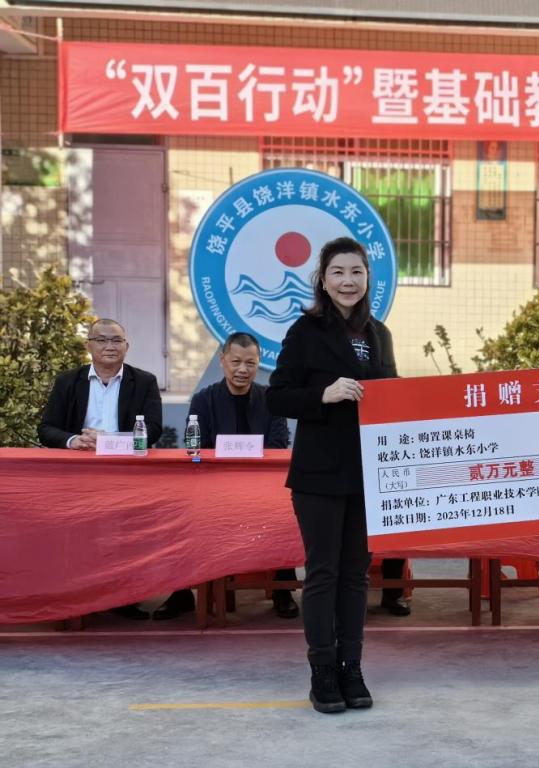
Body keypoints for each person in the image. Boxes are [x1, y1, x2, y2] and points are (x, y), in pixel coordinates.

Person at [267, 237, 398, 714]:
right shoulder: (305, 331)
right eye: (338, 272)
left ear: (368, 279)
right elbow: (277, 395)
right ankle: (322, 670)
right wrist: (323, 394)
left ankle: (352, 667)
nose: (348, 281)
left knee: (357, 575)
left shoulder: (379, 333)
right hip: (319, 474)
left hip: (368, 473)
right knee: (323, 573)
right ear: (323, 280)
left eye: (356, 272)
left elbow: (392, 395)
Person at [153, 331, 298, 621]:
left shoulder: (270, 399)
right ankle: (182, 593)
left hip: (262, 488)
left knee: (287, 512)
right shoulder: (204, 399)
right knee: (181, 513)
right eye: (236, 362)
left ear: (258, 364)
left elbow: (278, 444)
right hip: (215, 489)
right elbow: (197, 447)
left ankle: (282, 589)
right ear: (222, 361)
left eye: (250, 363)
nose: (242, 369)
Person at [37, 318, 163, 621]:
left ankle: (123, 598)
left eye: (116, 340)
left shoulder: (144, 381)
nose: (110, 346)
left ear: (126, 346)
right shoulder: (69, 381)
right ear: (89, 345)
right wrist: (73, 440)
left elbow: (153, 430)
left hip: (125, 474)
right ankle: (78, 597)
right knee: (81, 536)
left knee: (124, 539)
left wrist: (110, 440)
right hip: (78, 476)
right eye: (102, 340)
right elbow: (46, 429)